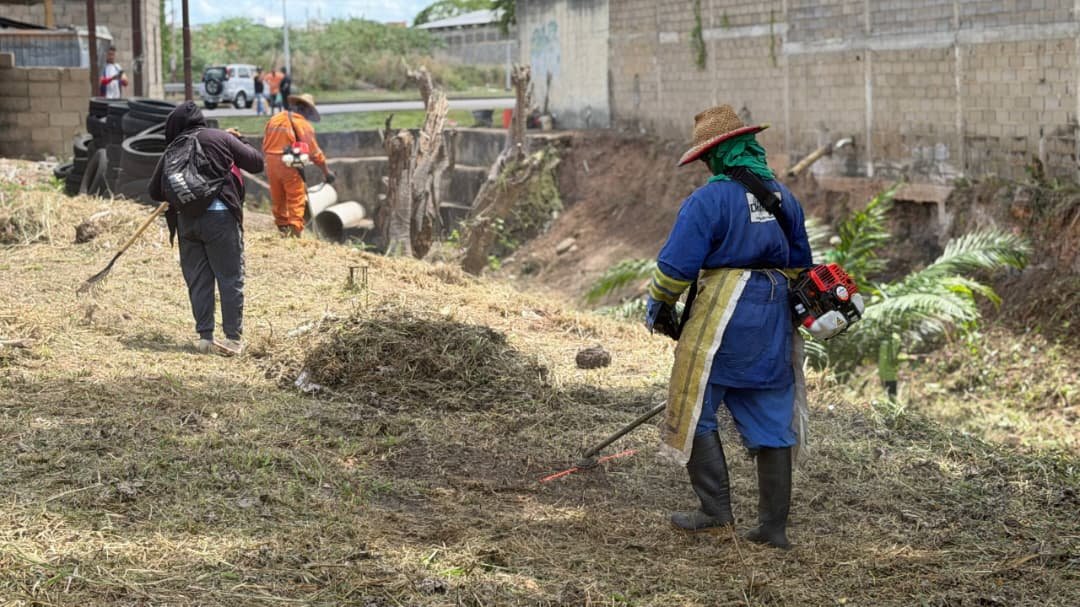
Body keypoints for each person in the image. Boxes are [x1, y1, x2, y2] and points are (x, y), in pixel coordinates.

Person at [646, 104, 813, 549]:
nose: (705, 166)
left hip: (724, 315)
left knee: (694, 403)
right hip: (774, 316)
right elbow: (802, 267)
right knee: (773, 417)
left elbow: (674, 272)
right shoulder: (784, 198)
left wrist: (659, 307)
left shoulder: (709, 200)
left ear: (717, 156)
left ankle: (715, 511)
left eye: (706, 159)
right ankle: (773, 528)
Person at [148, 101, 264, 356]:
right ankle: (233, 339)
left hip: (187, 222)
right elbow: (256, 163)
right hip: (221, 219)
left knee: (198, 280)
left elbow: (154, 190)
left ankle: (205, 339)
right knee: (229, 277)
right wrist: (240, 141)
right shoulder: (220, 137)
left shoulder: (174, 147)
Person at [262, 93, 334, 237]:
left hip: (270, 162)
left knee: (278, 198)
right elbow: (315, 154)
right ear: (306, 110)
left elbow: (265, 144)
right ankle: (295, 233)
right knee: (296, 198)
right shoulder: (303, 125)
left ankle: (282, 229)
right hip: (290, 164)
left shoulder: (274, 119)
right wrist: (327, 172)